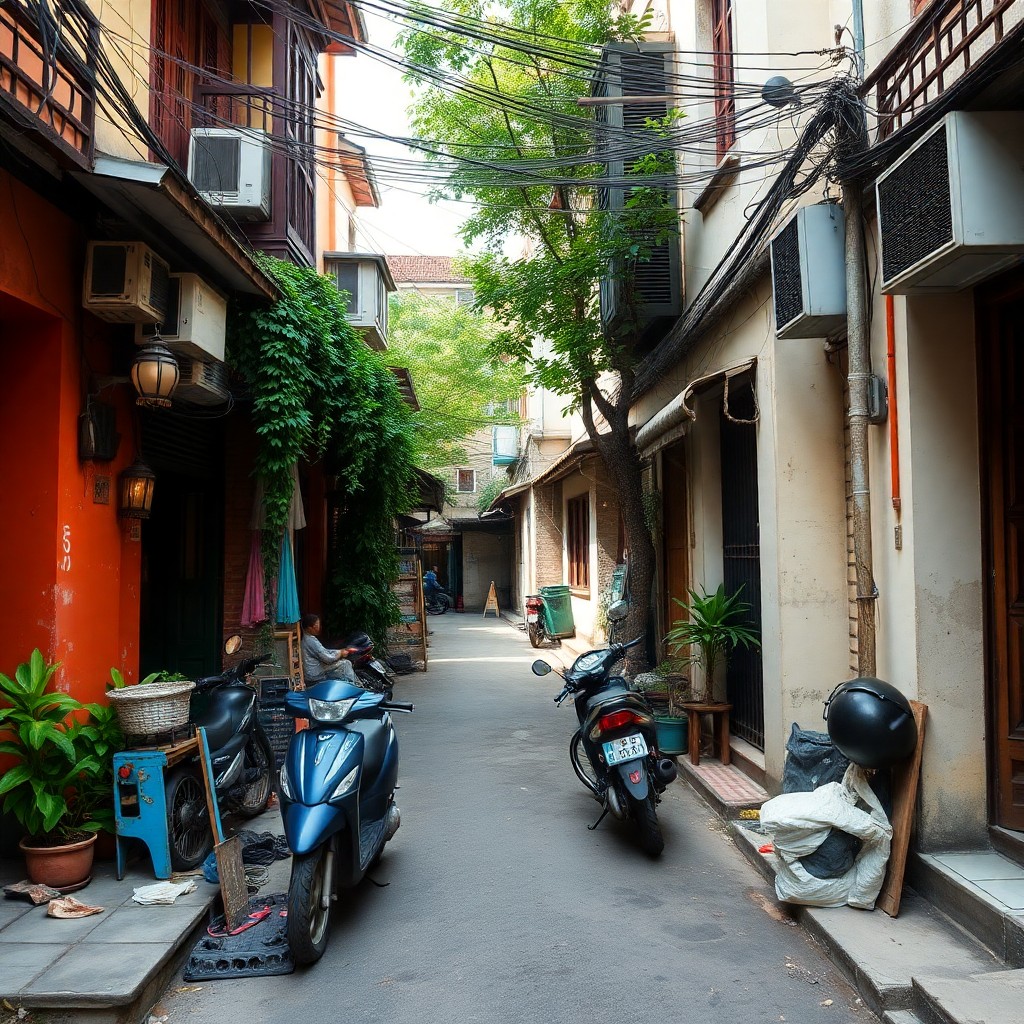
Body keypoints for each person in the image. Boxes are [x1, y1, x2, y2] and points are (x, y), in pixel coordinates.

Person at [300, 613, 355, 684]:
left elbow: (323, 651)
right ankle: (352, 686)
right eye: (317, 625)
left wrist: (339, 651)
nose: (319, 627)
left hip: (313, 671)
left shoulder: (307, 638)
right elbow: (328, 659)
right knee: (346, 663)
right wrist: (340, 653)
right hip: (315, 674)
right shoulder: (311, 641)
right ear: (310, 628)